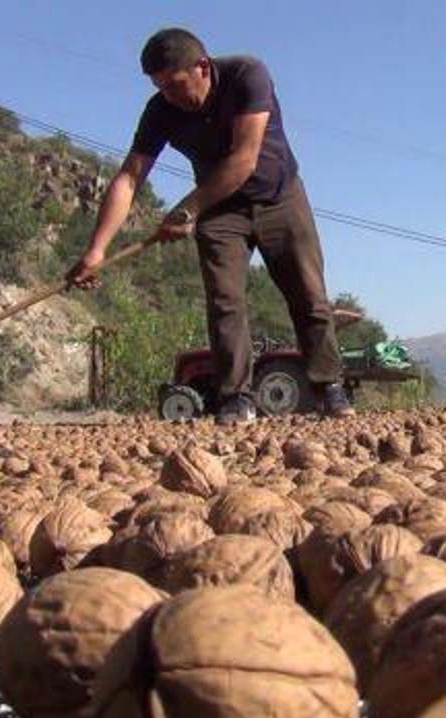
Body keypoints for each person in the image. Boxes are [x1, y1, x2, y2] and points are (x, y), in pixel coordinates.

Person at [68, 27, 355, 425]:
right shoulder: (160, 110)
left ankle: (329, 387)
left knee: (308, 296)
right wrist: (97, 249)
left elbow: (243, 160)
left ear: (202, 67)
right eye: (159, 86)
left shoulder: (247, 75)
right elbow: (130, 178)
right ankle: (236, 397)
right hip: (220, 211)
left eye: (174, 84)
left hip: (280, 197)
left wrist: (186, 211)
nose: (168, 94)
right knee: (224, 301)